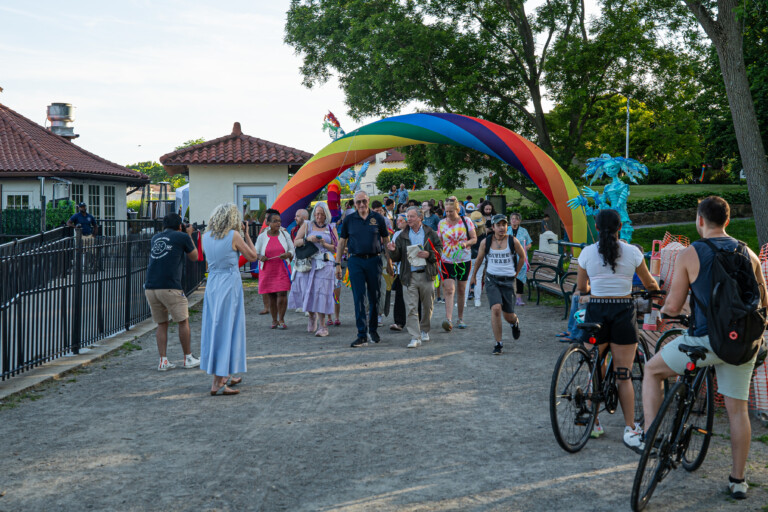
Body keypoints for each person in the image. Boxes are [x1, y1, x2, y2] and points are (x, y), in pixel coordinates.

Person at [626, 196, 767, 500]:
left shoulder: (692, 252)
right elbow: (763, 302)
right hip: (741, 343)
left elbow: (674, 304)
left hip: (705, 339)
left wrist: (664, 316)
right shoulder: (750, 252)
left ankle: (651, 436)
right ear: (727, 221)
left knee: (652, 371)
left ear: (700, 220)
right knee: (737, 410)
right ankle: (738, 480)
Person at [576, 209, 660, 440]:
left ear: (596, 226)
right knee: (624, 374)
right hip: (622, 312)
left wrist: (594, 289)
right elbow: (649, 283)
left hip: (596, 313)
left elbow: (582, 288)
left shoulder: (586, 253)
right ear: (620, 227)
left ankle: (594, 422)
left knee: (595, 369)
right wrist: (656, 292)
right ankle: (630, 426)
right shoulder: (633, 252)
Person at [200, 204, 258, 396]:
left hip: (213, 283)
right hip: (229, 284)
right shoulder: (233, 236)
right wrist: (246, 234)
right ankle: (218, 381)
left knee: (216, 326)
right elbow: (253, 256)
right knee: (227, 329)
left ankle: (226, 374)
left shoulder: (205, 236)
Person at [144, 213, 200, 371]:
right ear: (180, 225)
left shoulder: (156, 237)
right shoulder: (181, 237)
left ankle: (163, 361)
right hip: (170, 286)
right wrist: (188, 235)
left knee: (161, 324)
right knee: (183, 321)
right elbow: (194, 256)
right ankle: (188, 357)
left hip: (151, 287)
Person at [335, 190, 391, 347]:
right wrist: (338, 264)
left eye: (364, 201)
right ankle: (361, 334)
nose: (361, 205)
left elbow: (386, 241)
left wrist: (390, 262)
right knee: (359, 298)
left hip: (374, 260)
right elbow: (341, 243)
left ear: (368, 201)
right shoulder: (349, 220)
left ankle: (373, 330)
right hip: (355, 261)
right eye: (358, 202)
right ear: (354, 204)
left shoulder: (378, 218)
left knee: (374, 296)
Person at [470, 214, 526, 354]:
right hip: (492, 280)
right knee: (495, 309)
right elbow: (479, 259)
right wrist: (474, 276)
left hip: (507, 281)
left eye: (504, 225)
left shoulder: (513, 241)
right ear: (493, 227)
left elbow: (522, 257)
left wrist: (516, 273)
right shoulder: (486, 242)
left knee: (508, 315)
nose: (502, 228)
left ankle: (514, 323)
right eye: (498, 225)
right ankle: (498, 343)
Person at [388, 206, 442, 348]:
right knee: (411, 307)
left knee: (427, 305)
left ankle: (424, 329)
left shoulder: (430, 232)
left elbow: (439, 251)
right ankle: (414, 336)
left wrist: (429, 254)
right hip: (409, 275)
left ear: (420, 218)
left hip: (426, 274)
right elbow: (397, 257)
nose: (408, 219)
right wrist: (393, 251)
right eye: (407, 216)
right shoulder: (402, 235)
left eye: (411, 216)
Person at [289, 202, 337, 337]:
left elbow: (337, 247)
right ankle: (311, 316)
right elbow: (296, 242)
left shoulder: (331, 227)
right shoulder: (307, 224)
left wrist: (324, 243)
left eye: (322, 214)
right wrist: (307, 239)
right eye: (317, 214)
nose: (319, 217)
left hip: (324, 263)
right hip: (307, 264)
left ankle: (323, 326)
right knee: (306, 291)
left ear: (326, 215)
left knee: (321, 293)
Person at [437, 197, 477, 331]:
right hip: (447, 260)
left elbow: (474, 238)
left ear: (457, 210)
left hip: (463, 260)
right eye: (446, 211)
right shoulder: (441, 223)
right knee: (448, 289)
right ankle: (448, 320)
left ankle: (460, 318)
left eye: (451, 211)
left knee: (461, 289)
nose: (448, 214)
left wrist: (466, 243)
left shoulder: (466, 221)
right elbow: (439, 241)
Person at [255, 212, 294, 329]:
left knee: (282, 293)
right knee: (271, 295)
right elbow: (255, 252)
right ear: (268, 223)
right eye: (275, 221)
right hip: (267, 269)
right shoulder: (262, 236)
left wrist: (287, 254)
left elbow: (292, 249)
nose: (278, 223)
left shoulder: (285, 234)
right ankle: (274, 320)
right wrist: (260, 256)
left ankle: (282, 319)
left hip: (282, 268)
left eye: (279, 221)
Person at [387, 214, 409, 332]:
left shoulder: (412, 232)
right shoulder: (396, 234)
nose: (398, 222)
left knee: (416, 296)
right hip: (400, 270)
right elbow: (394, 253)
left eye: (401, 220)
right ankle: (399, 322)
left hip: (413, 269)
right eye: (397, 220)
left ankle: (419, 321)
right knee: (399, 296)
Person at [508, 213, 532, 306]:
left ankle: (518, 298)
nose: (514, 220)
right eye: (512, 219)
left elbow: (529, 243)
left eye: (516, 219)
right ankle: (508, 296)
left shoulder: (524, 231)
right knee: (508, 276)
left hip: (520, 257)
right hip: (509, 257)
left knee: (520, 277)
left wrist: (525, 248)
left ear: (519, 221)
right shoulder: (506, 230)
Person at [67, 202, 99, 271]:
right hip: (81, 236)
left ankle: (92, 267)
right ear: (79, 208)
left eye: (84, 206)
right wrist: (75, 227)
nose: (83, 208)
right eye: (81, 207)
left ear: (85, 207)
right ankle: (80, 267)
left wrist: (94, 235)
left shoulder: (90, 216)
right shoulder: (76, 216)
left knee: (92, 252)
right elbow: (68, 222)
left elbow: (95, 225)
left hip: (89, 235)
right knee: (80, 251)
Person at [465, 211, 487, 307]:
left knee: (467, 278)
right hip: (481, 257)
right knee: (478, 278)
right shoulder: (484, 232)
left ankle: (464, 301)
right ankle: (477, 300)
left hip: (469, 256)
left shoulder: (468, 231)